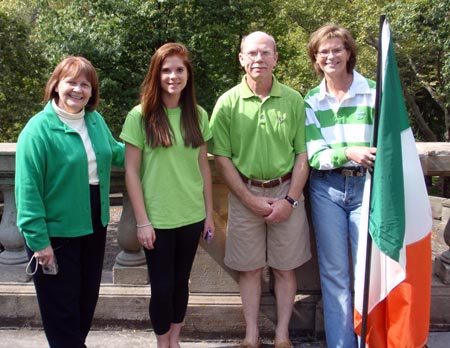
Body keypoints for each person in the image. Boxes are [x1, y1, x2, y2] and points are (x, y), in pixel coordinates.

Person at [209, 31, 311, 348]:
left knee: (284, 269)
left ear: (276, 58)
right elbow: (221, 158)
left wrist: (291, 200)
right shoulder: (227, 103)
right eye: (252, 53)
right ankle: (251, 335)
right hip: (244, 195)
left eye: (265, 53)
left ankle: (282, 336)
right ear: (241, 59)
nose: (258, 59)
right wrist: (249, 200)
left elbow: (302, 155)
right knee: (249, 270)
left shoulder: (294, 100)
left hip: (286, 192)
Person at [15, 56, 125, 348]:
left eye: (85, 84)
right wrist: (39, 242)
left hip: (94, 222)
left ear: (92, 91)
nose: (78, 90)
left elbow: (116, 152)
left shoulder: (94, 120)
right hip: (55, 234)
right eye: (71, 82)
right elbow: (27, 193)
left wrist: (155, 147)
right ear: (55, 86)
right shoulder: (37, 131)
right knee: (60, 311)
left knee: (85, 304)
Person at [120, 42, 214, 348]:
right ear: (156, 74)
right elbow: (131, 172)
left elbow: (203, 168)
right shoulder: (141, 116)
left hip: (191, 215)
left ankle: (175, 340)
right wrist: (142, 222)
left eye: (179, 69)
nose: (173, 76)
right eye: (166, 70)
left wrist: (209, 215)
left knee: (179, 284)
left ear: (188, 74)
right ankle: (162, 343)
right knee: (160, 288)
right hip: (157, 219)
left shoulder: (197, 115)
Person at [304, 24, 377, 347]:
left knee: (368, 273)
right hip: (326, 191)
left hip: (368, 190)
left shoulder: (375, 93)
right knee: (334, 277)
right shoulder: (311, 101)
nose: (330, 56)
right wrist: (347, 152)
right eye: (323, 52)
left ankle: (368, 342)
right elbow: (315, 156)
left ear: (349, 53)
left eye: (337, 49)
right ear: (316, 59)